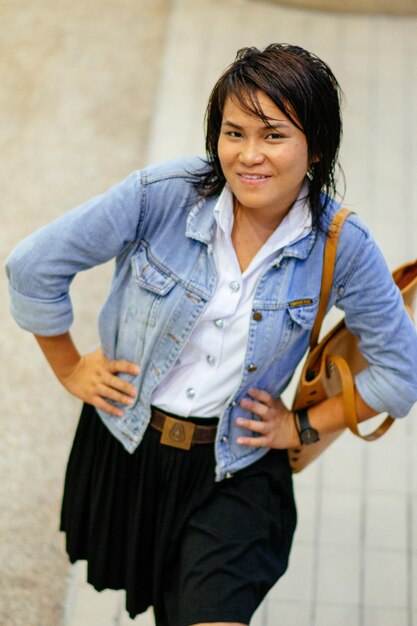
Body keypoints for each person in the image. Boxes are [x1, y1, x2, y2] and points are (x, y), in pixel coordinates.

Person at [6, 43, 417, 626]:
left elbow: (401, 373)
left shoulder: (342, 246)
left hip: (237, 469)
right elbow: (32, 267)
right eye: (234, 132)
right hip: (131, 447)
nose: (249, 155)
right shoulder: (163, 195)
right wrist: (70, 366)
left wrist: (300, 426)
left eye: (273, 135)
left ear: (316, 146)